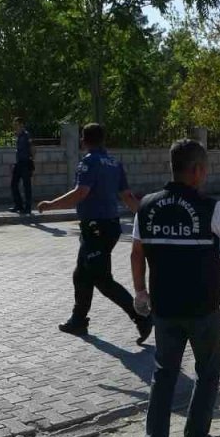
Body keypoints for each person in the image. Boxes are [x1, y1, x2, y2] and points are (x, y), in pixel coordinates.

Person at [130, 139, 220, 437]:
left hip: (164, 308)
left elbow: (137, 252)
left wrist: (140, 292)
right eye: (206, 168)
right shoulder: (208, 207)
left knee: (164, 376)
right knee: (207, 374)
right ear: (197, 170)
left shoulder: (146, 206)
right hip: (202, 309)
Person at [37, 123, 153, 343]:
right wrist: (146, 216)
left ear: (84, 140)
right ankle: (78, 320)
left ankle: (143, 319)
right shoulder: (114, 163)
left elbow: (81, 192)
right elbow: (127, 197)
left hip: (96, 229)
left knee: (103, 280)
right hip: (108, 227)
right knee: (81, 274)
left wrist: (51, 205)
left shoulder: (88, 162)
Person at [8, 117, 35, 215]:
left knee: (26, 186)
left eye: (16, 125)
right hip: (19, 163)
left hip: (26, 163)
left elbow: (32, 148)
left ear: (21, 125)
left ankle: (27, 208)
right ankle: (18, 205)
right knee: (13, 183)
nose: (14, 127)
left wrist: (32, 161)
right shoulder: (18, 136)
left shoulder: (26, 135)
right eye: (14, 125)